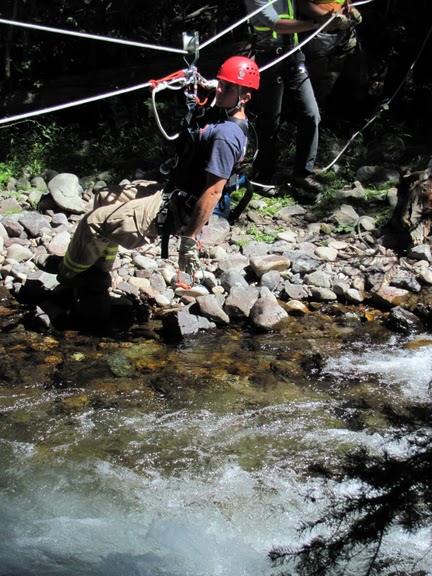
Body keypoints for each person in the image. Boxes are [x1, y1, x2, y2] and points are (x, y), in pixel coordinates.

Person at [36, 56, 259, 292]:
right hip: (172, 190)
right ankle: (98, 270)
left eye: (229, 88)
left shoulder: (226, 135)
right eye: (221, 84)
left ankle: (66, 274)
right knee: (103, 197)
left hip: (178, 209)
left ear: (245, 98)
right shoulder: (222, 116)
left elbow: (213, 190)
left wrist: (189, 240)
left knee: (93, 223)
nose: (221, 90)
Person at [244, 0, 324, 195]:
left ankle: (302, 175)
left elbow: (303, 5)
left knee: (311, 114)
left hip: (294, 55)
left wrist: (330, 15)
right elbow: (276, 23)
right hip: (269, 58)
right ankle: (263, 174)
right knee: (270, 121)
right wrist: (318, 24)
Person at [298, 0, 368, 111]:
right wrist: (327, 17)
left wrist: (352, 10)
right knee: (320, 80)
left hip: (345, 34)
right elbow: (302, 5)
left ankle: (356, 108)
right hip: (320, 35)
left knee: (356, 69)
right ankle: (315, 113)